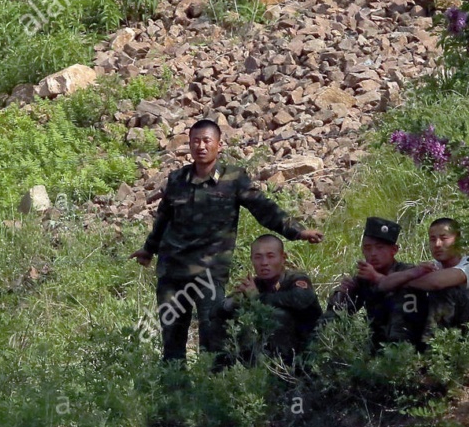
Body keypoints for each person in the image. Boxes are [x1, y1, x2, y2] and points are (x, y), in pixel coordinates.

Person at [130, 119, 324, 365]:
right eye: (195, 141)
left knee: (213, 339)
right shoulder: (177, 179)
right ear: (189, 145)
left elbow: (264, 209)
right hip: (173, 271)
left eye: (206, 141)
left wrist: (297, 231)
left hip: (209, 274)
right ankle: (174, 393)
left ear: (218, 145)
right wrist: (149, 249)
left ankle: (211, 393)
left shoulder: (233, 178)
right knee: (172, 341)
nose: (201, 146)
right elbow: (163, 218)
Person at [377, 217, 469, 352]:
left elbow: (436, 283)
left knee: (445, 289)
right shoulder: (434, 266)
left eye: (444, 238)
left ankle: (431, 351)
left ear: (458, 240)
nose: (437, 244)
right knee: (410, 292)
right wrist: (413, 273)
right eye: (432, 239)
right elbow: (384, 285)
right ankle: (401, 348)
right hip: (456, 333)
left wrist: (405, 279)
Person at [215, 235, 322, 366]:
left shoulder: (295, 278)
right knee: (221, 323)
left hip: (307, 349)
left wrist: (257, 298)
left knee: (277, 316)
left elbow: (301, 299)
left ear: (283, 258)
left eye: (271, 256)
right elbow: (216, 311)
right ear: (252, 260)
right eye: (258, 257)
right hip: (268, 348)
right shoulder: (256, 283)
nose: (264, 263)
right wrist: (236, 301)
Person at [323, 216, 424, 352]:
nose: (373, 254)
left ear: (394, 250)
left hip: (409, 346)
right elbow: (339, 311)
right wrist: (343, 293)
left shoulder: (407, 271)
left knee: (405, 293)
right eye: (367, 248)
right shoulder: (364, 277)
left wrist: (377, 278)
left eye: (380, 248)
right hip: (377, 347)